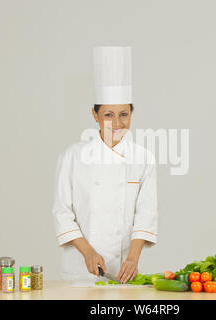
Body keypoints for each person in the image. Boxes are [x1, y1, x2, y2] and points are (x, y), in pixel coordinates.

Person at [52, 47, 158, 283]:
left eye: (124, 114)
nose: (117, 123)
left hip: (125, 269)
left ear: (131, 113)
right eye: (109, 114)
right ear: (95, 114)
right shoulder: (73, 156)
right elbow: (62, 212)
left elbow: (146, 214)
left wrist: (132, 259)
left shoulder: (143, 158)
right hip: (81, 269)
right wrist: (88, 253)